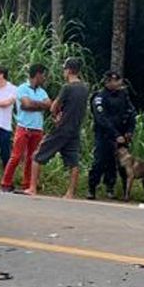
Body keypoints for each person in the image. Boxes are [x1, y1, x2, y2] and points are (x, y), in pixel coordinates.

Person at [24, 58, 90, 198]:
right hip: (75, 129)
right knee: (73, 162)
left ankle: (32, 188)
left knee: (37, 156)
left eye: (64, 69)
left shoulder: (67, 87)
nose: (64, 72)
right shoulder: (85, 88)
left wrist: (56, 115)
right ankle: (70, 192)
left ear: (69, 70)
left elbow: (54, 106)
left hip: (61, 128)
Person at [0, 64, 51, 193]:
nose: (44, 78)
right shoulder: (22, 88)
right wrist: (39, 105)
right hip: (24, 126)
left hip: (37, 128)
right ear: (37, 75)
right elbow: (26, 104)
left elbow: (48, 104)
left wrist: (32, 105)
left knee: (31, 157)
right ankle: (5, 183)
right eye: (43, 75)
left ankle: (27, 183)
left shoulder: (41, 91)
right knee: (16, 156)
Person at [87, 71, 136, 200]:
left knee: (119, 164)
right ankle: (92, 188)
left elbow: (131, 112)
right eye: (117, 80)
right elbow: (101, 118)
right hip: (104, 135)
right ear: (108, 81)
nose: (120, 83)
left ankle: (114, 189)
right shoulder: (100, 97)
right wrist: (115, 134)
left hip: (121, 135)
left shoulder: (123, 95)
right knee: (99, 161)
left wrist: (129, 130)